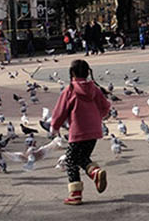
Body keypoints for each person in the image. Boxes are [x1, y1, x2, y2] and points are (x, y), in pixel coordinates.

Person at [51, 60, 113, 204]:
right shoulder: (94, 89)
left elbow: (60, 111)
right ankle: (95, 172)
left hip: (78, 131)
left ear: (72, 73)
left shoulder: (70, 90)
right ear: (87, 72)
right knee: (81, 157)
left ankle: (75, 194)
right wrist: (98, 117)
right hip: (94, 131)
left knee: (71, 160)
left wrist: (54, 127)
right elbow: (105, 106)